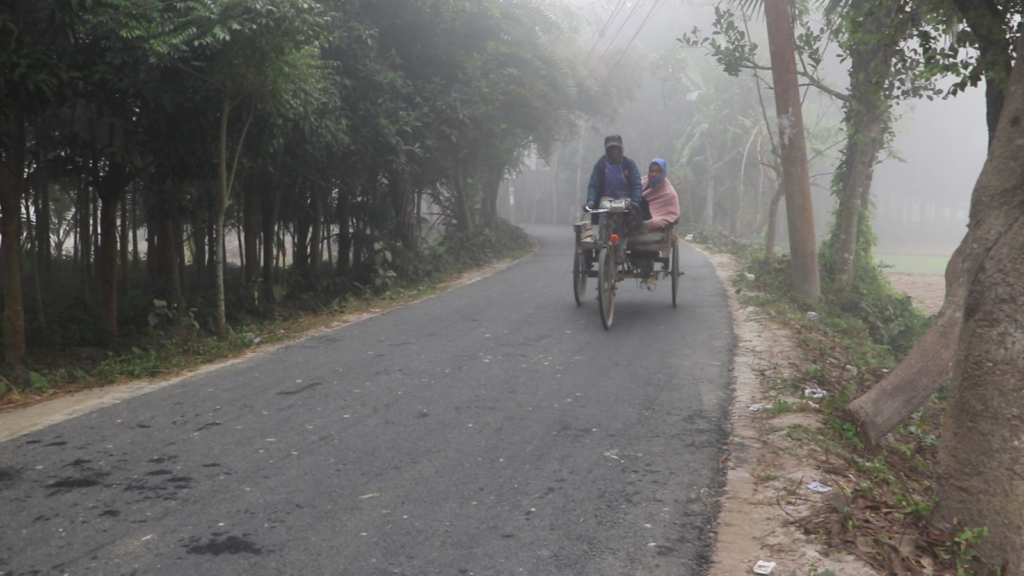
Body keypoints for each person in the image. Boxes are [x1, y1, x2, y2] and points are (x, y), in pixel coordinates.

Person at [584, 135, 643, 213]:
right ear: (607, 150)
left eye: (616, 148)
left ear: (621, 149)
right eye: (611, 149)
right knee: (606, 210)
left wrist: (635, 202)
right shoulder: (601, 165)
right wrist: (590, 202)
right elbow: (594, 185)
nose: (614, 151)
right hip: (606, 200)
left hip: (626, 200)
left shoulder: (629, 164)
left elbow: (637, 185)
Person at [639, 158, 680, 234]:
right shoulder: (642, 180)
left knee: (647, 224)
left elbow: (672, 214)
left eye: (657, 172)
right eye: (651, 171)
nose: (654, 174)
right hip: (638, 212)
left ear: (663, 173)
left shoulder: (670, 193)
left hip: (656, 216)